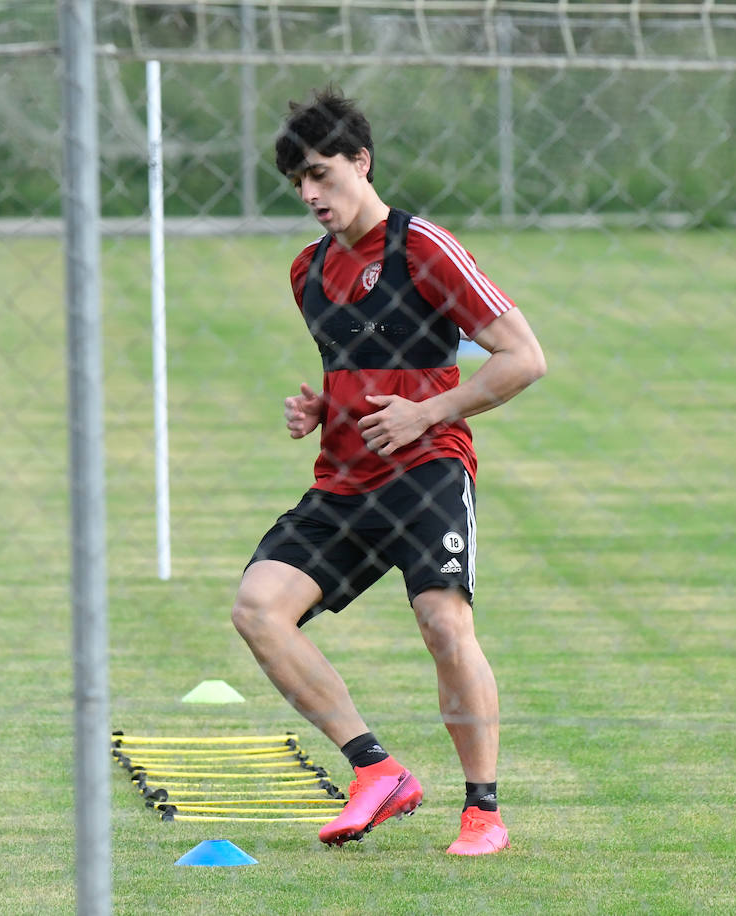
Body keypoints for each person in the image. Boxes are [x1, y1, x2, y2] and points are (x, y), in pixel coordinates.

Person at [230, 88, 546, 856]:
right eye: (297, 183)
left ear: (361, 161)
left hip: (428, 468)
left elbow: (523, 358)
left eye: (321, 174)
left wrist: (427, 413)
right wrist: (323, 407)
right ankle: (377, 770)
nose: (310, 195)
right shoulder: (307, 271)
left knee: (443, 622)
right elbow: (361, 368)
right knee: (258, 607)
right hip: (345, 480)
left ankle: (483, 812)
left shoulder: (424, 248)